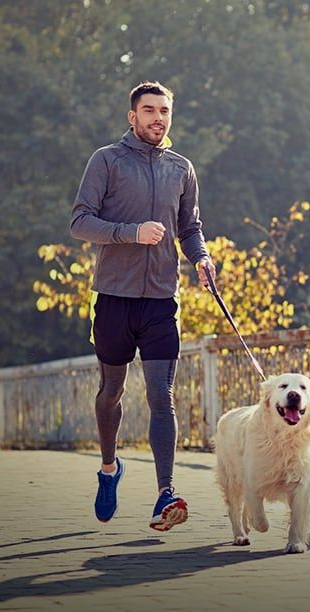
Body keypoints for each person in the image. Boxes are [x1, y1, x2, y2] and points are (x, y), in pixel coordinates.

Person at [70, 81, 216, 531]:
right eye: (149, 110)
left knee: (161, 396)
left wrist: (202, 258)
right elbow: (80, 222)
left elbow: (189, 227)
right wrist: (131, 232)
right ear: (132, 116)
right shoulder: (106, 160)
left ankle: (165, 493)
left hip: (160, 299)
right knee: (111, 391)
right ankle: (110, 468)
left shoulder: (181, 168)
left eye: (164, 111)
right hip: (113, 297)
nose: (157, 118)